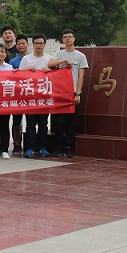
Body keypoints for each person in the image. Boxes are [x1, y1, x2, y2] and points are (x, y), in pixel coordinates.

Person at [47, 29, 88, 158]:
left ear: (74, 39)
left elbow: (81, 76)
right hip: (60, 92)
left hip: (73, 92)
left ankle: (69, 148)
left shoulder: (80, 56)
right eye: (65, 37)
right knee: (59, 122)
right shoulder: (59, 54)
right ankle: (58, 148)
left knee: (72, 122)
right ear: (62, 40)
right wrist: (63, 61)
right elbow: (50, 64)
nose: (67, 39)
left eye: (70, 37)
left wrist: (78, 94)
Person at [19, 34, 52, 158]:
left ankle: (43, 147)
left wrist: (49, 71)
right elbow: (19, 76)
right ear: (32, 44)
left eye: (41, 43)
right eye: (36, 43)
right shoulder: (26, 59)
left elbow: (55, 76)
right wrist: (28, 71)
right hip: (30, 98)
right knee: (30, 124)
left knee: (43, 124)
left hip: (44, 98)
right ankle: (30, 148)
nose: (39, 45)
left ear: (44, 44)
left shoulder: (49, 59)